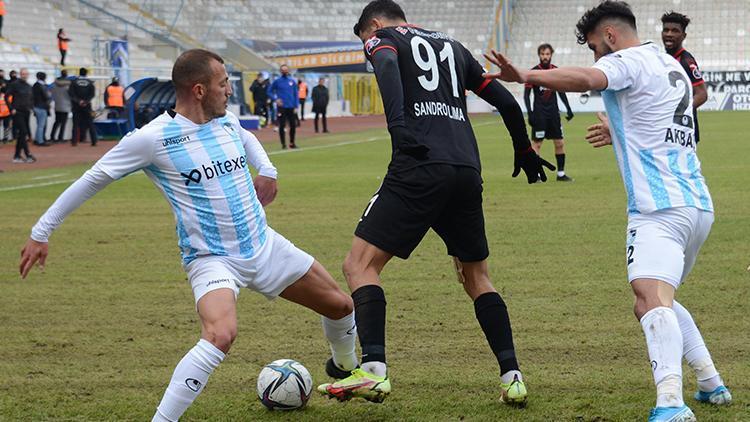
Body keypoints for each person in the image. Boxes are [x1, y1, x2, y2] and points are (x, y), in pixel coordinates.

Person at [18, 48, 359, 422]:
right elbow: (93, 179)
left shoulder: (225, 120)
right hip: (212, 258)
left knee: (342, 306)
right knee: (220, 334)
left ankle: (345, 368)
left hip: (264, 245)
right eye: (223, 83)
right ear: (199, 90)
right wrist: (41, 232)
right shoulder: (151, 139)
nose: (230, 91)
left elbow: (247, 139)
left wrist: (267, 168)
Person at [483, 1, 731, 421]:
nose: (597, 56)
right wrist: (620, 132)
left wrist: (525, 75)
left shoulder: (628, 59)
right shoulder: (666, 64)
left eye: (597, 47)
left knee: (649, 298)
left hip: (658, 208)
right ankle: (711, 383)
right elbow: (657, 123)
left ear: (612, 37)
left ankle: (671, 404)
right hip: (696, 204)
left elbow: (588, 77)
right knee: (659, 297)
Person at [319, 0, 554, 406]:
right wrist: (524, 149)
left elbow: (389, 68)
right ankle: (512, 376)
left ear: (372, 25)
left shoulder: (381, 39)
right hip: (465, 168)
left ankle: (373, 369)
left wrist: (398, 128)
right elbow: (508, 101)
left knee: (359, 265)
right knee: (476, 277)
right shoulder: (454, 47)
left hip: (419, 165)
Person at [524, 43, 574, 182]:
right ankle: (537, 174)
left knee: (559, 143)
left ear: (551, 54)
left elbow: (561, 91)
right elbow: (526, 95)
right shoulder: (533, 72)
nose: (545, 57)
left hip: (553, 114)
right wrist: (530, 113)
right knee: (537, 144)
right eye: (542, 54)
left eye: (547, 54)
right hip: (539, 114)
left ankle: (561, 174)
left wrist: (568, 108)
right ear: (539, 55)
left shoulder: (556, 71)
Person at [662, 11, 706, 144]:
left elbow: (702, 94)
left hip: (683, 129)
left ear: (683, 35)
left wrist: (678, 113)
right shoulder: (662, 59)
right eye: (666, 30)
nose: (669, 34)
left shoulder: (686, 61)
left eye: (675, 31)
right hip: (666, 128)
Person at [6, 68, 36, 163]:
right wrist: (11, 108)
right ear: (20, 74)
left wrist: (31, 107)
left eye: (26, 74)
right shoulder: (15, 84)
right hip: (17, 112)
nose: (24, 75)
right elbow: (6, 96)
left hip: (26, 112)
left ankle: (17, 156)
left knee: (22, 134)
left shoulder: (28, 86)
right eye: (23, 74)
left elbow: (31, 98)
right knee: (23, 131)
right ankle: (27, 154)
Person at [267, 65, 299, 149]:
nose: (285, 71)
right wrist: (276, 99)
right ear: (280, 71)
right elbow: (269, 91)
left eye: (286, 70)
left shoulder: (292, 81)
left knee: (293, 125)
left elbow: (296, 94)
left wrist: (296, 106)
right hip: (282, 107)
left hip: (291, 106)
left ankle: (292, 143)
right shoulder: (277, 81)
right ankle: (283, 144)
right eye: (283, 70)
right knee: (282, 125)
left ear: (288, 71)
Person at [69, 67, 97, 146]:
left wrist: (79, 101)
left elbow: (71, 94)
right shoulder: (90, 82)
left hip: (76, 106)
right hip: (87, 105)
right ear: (86, 73)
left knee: (75, 124)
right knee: (90, 123)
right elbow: (92, 94)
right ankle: (94, 141)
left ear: (79, 73)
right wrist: (86, 101)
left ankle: (74, 141)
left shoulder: (74, 82)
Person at [50, 70, 72, 143]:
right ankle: (60, 137)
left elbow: (51, 93)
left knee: (57, 122)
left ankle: (52, 136)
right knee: (63, 123)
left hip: (57, 104)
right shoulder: (69, 85)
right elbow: (71, 95)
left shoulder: (54, 84)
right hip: (66, 105)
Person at [32, 72, 51, 146]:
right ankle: (40, 141)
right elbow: (47, 96)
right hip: (42, 106)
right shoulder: (43, 86)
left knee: (39, 124)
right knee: (41, 125)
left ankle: (37, 139)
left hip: (36, 106)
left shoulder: (35, 85)